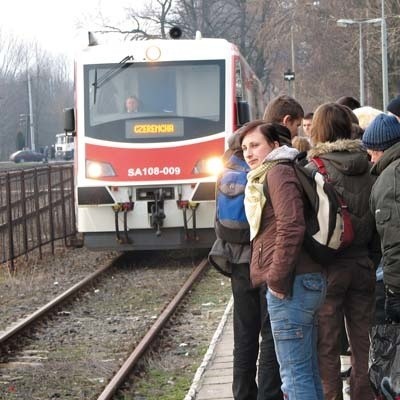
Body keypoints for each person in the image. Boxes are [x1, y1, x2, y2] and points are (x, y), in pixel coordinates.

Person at [240, 120, 326, 400]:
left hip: (292, 285)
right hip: (302, 281)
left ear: (275, 146)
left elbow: (291, 225)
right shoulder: (278, 172)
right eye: (244, 148)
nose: (249, 153)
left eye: (255, 145)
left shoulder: (277, 173)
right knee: (307, 373)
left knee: (294, 378)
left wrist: (276, 278)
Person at [308, 102, 379, 400]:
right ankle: (363, 393)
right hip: (363, 264)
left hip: (329, 267)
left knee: (327, 343)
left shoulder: (314, 170)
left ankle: (332, 396)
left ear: (319, 131)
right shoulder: (369, 165)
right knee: (363, 341)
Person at [209, 125, 283, 400]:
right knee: (269, 333)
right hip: (264, 261)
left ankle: (242, 394)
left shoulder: (225, 172)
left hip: (238, 262)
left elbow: (218, 223)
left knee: (243, 335)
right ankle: (268, 394)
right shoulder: (266, 172)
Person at [362, 113, 400, 323]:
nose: (371, 160)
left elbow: (394, 239)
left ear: (379, 149)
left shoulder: (390, 178)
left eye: (371, 154)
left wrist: (394, 291)